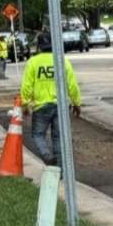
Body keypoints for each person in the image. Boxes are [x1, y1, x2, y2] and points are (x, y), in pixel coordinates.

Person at [20, 32, 82, 166]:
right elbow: (72, 85)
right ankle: (60, 171)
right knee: (58, 138)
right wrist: (76, 103)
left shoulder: (33, 62)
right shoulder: (62, 61)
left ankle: (46, 155)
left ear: (39, 46)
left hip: (41, 107)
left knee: (38, 135)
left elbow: (27, 85)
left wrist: (25, 104)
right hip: (60, 106)